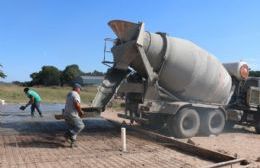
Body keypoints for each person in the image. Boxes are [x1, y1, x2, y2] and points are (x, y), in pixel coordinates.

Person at [63, 83, 85, 148]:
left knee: (72, 128)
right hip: (72, 114)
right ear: (77, 88)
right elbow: (77, 104)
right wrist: (80, 111)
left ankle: (72, 143)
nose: (80, 91)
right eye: (80, 89)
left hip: (66, 114)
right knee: (80, 126)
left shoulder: (69, 94)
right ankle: (67, 134)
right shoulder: (76, 94)